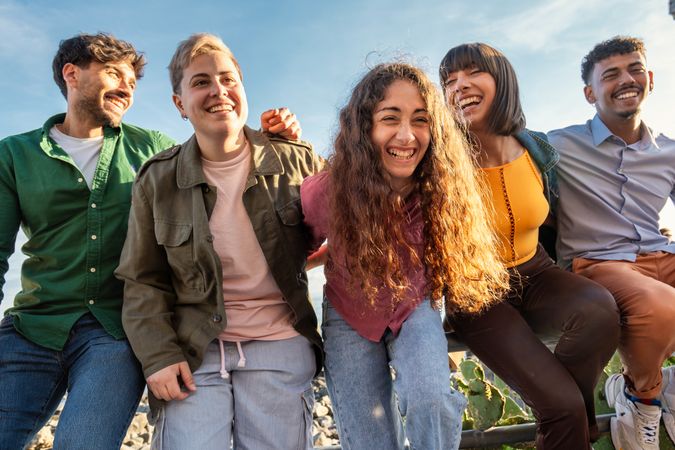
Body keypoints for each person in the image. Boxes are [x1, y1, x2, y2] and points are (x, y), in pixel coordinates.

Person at [0, 32, 301, 449]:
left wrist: (280, 139)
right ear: (71, 74)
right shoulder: (13, 155)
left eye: (133, 81)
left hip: (113, 332)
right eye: (112, 73)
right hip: (34, 326)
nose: (126, 87)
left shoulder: (157, 151)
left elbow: (225, 166)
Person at [115, 33, 323, 450]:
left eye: (228, 79)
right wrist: (158, 356)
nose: (218, 92)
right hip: (195, 351)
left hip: (280, 343)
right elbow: (142, 280)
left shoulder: (296, 159)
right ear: (179, 104)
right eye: (201, 82)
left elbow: (345, 236)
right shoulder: (157, 178)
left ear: (243, 89)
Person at [301, 62, 509, 450]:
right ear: (364, 127)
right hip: (348, 313)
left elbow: (456, 251)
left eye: (421, 119)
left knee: (431, 400)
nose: (406, 135)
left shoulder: (443, 187)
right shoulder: (326, 192)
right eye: (389, 118)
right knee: (367, 435)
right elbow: (300, 247)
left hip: (416, 304)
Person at [439, 42, 620, 448]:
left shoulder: (537, 147)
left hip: (536, 270)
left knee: (599, 310)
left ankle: (572, 418)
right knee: (562, 409)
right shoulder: (441, 159)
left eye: (472, 73)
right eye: (449, 81)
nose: (460, 86)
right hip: (477, 293)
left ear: (501, 79)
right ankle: (571, 420)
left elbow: (556, 213)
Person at [548, 35, 675, 450]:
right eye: (611, 75)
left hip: (662, 253)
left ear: (651, 79)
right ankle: (642, 399)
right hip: (600, 263)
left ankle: (667, 386)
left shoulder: (670, 152)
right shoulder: (558, 145)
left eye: (635, 69)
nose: (627, 80)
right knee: (659, 307)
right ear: (590, 93)